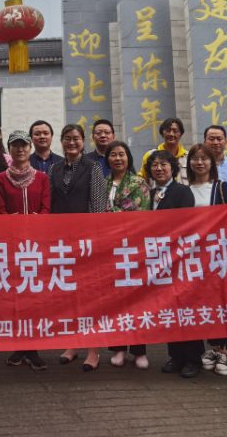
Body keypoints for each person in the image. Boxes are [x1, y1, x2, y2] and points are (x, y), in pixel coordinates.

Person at [148, 147, 217, 378]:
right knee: (168, 307)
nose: (159, 169)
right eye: (154, 165)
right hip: (160, 258)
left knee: (186, 307)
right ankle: (175, 356)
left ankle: (193, 358)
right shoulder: (150, 193)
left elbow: (185, 224)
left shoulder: (182, 191)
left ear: (173, 168)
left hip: (180, 257)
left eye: (163, 164)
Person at [90, 140, 151, 369]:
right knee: (114, 300)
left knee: (137, 300)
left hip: (133, 247)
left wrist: (109, 213)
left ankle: (139, 350)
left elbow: (138, 213)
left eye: (121, 154)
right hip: (108, 248)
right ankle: (118, 348)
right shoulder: (102, 183)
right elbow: (95, 212)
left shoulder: (139, 183)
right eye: (113, 155)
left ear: (128, 158)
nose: (117, 158)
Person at [0, 130, 51, 371]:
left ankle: (34, 348)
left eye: (24, 145)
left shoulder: (42, 178)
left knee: (35, 296)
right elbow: (0, 211)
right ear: (9, 149)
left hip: (37, 246)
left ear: (30, 148)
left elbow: (47, 209)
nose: (20, 150)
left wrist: (36, 222)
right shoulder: (1, 179)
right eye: (15, 146)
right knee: (16, 296)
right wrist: (14, 223)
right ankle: (20, 346)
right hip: (12, 245)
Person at [184, 144, 227, 377]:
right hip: (194, 255)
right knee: (201, 301)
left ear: (212, 162)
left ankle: (226, 350)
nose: (199, 163)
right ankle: (214, 347)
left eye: (204, 159)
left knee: (223, 299)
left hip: (218, 253)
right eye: (195, 159)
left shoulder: (222, 187)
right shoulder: (185, 190)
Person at [49, 124, 100, 371]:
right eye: (67, 138)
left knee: (89, 296)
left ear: (83, 141)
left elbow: (98, 206)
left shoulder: (93, 167)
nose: (71, 143)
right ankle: (73, 344)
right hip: (61, 241)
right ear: (61, 141)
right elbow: (51, 202)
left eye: (76, 138)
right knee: (68, 295)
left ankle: (93, 349)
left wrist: (94, 238)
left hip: (86, 241)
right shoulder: (54, 169)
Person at [140, 117, 188, 182]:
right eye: (168, 130)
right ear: (162, 133)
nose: (171, 134)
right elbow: (142, 180)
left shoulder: (188, 157)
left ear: (181, 134)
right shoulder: (150, 155)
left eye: (175, 131)